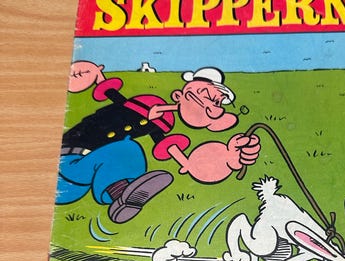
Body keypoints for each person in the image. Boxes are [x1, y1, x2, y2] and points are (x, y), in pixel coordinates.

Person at [58, 61, 260, 223]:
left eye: (216, 103)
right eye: (205, 96)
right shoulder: (144, 104)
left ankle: (125, 199)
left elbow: (183, 159)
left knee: (130, 151)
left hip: (80, 182)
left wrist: (228, 158)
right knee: (126, 149)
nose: (211, 105)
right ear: (178, 95)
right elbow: (113, 95)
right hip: (66, 164)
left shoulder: (161, 122)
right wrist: (94, 75)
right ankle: (121, 195)